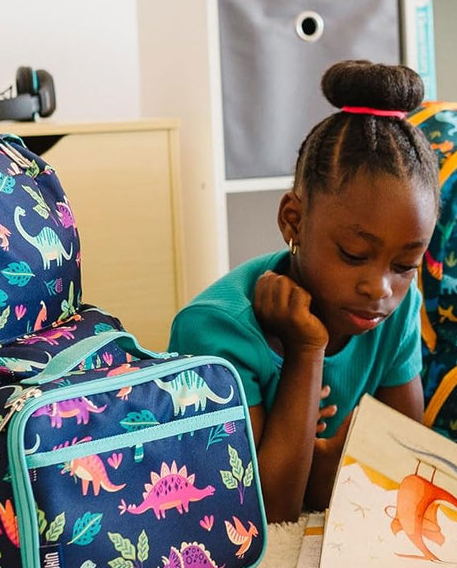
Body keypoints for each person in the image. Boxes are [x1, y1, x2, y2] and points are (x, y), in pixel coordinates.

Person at [168, 60, 439, 522]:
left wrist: (311, 453)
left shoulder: (398, 307)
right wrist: (306, 352)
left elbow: (403, 462)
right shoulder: (214, 330)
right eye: (354, 254)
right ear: (293, 220)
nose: (379, 289)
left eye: (404, 265)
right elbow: (268, 509)